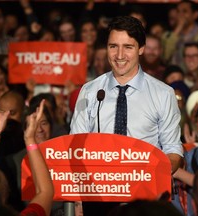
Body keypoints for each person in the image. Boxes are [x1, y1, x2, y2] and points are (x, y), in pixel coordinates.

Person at [70, 15, 183, 215]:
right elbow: (75, 145)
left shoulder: (163, 93)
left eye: (128, 47)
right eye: (113, 46)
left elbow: (173, 150)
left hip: (147, 199)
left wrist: (152, 173)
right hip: (98, 196)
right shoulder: (89, 91)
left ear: (141, 49)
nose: (119, 55)